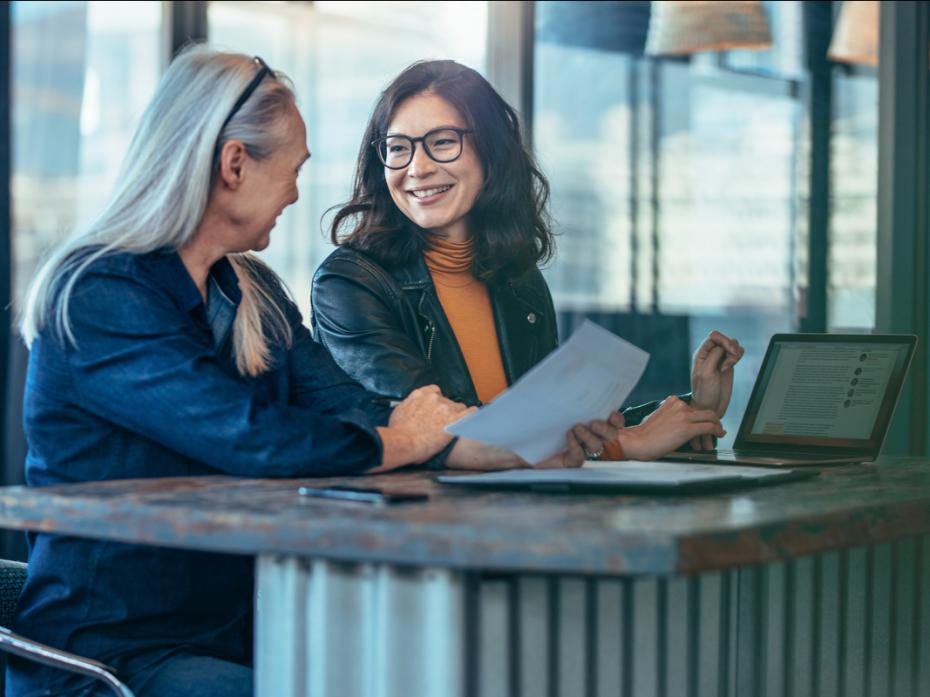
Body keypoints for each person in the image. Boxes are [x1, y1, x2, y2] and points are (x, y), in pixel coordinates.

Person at [9, 48, 472, 697]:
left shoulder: (252, 290)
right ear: (233, 163)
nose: (295, 191)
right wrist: (409, 441)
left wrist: (513, 440)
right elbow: (249, 436)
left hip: (239, 632)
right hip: (115, 656)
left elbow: (352, 404)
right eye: (293, 169)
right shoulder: (97, 293)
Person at [311, 60, 744, 465]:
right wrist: (626, 444)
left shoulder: (518, 280)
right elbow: (433, 429)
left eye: (442, 143)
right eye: (398, 148)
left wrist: (693, 410)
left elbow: (560, 427)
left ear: (491, 152)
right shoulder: (350, 283)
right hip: (417, 526)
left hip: (518, 515)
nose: (417, 167)